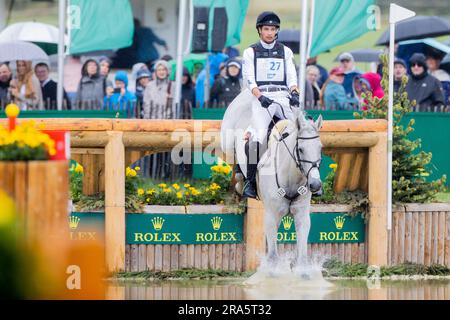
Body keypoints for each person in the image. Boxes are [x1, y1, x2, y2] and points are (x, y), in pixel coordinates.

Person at [241, 11, 300, 199]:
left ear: (277, 31)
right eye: (266, 29)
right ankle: (249, 182)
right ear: (260, 30)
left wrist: (294, 93)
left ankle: (310, 177)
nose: (269, 32)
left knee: (302, 129)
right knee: (257, 137)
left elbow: (291, 75)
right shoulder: (251, 52)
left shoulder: (285, 51)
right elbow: (249, 79)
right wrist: (259, 96)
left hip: (282, 95)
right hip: (262, 97)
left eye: (273, 29)